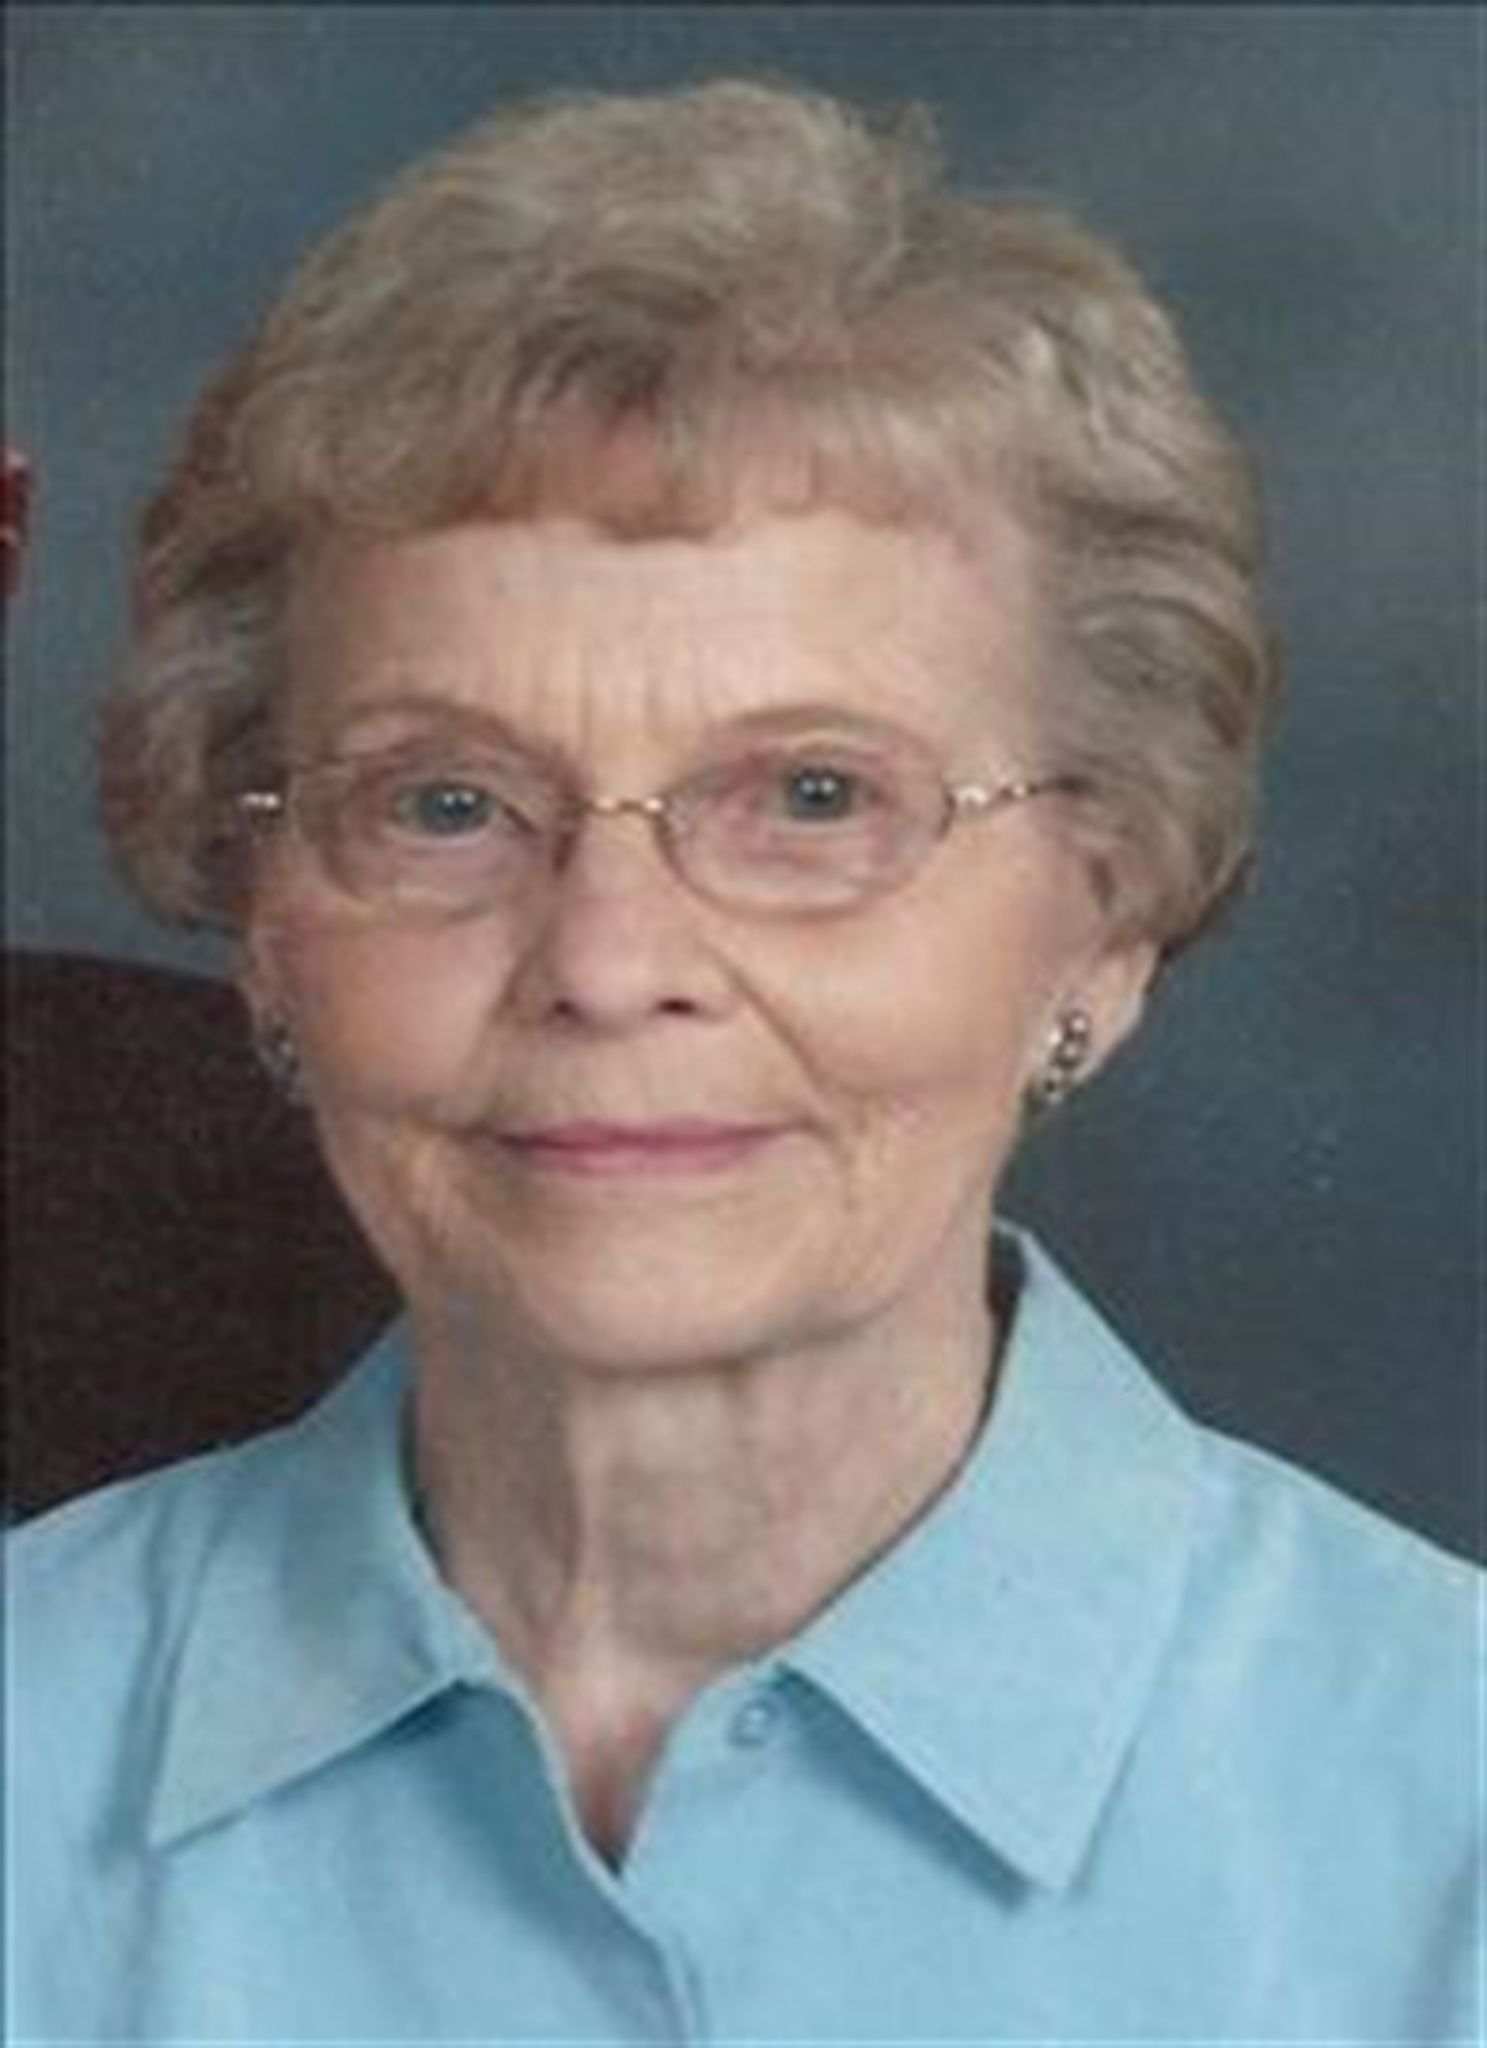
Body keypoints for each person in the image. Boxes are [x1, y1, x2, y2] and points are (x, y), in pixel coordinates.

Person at [8, 79, 1479, 2042]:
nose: (612, 966)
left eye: (811, 797)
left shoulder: (1444, 1823)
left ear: (1107, 919)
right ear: (266, 923)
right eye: (444, 803)